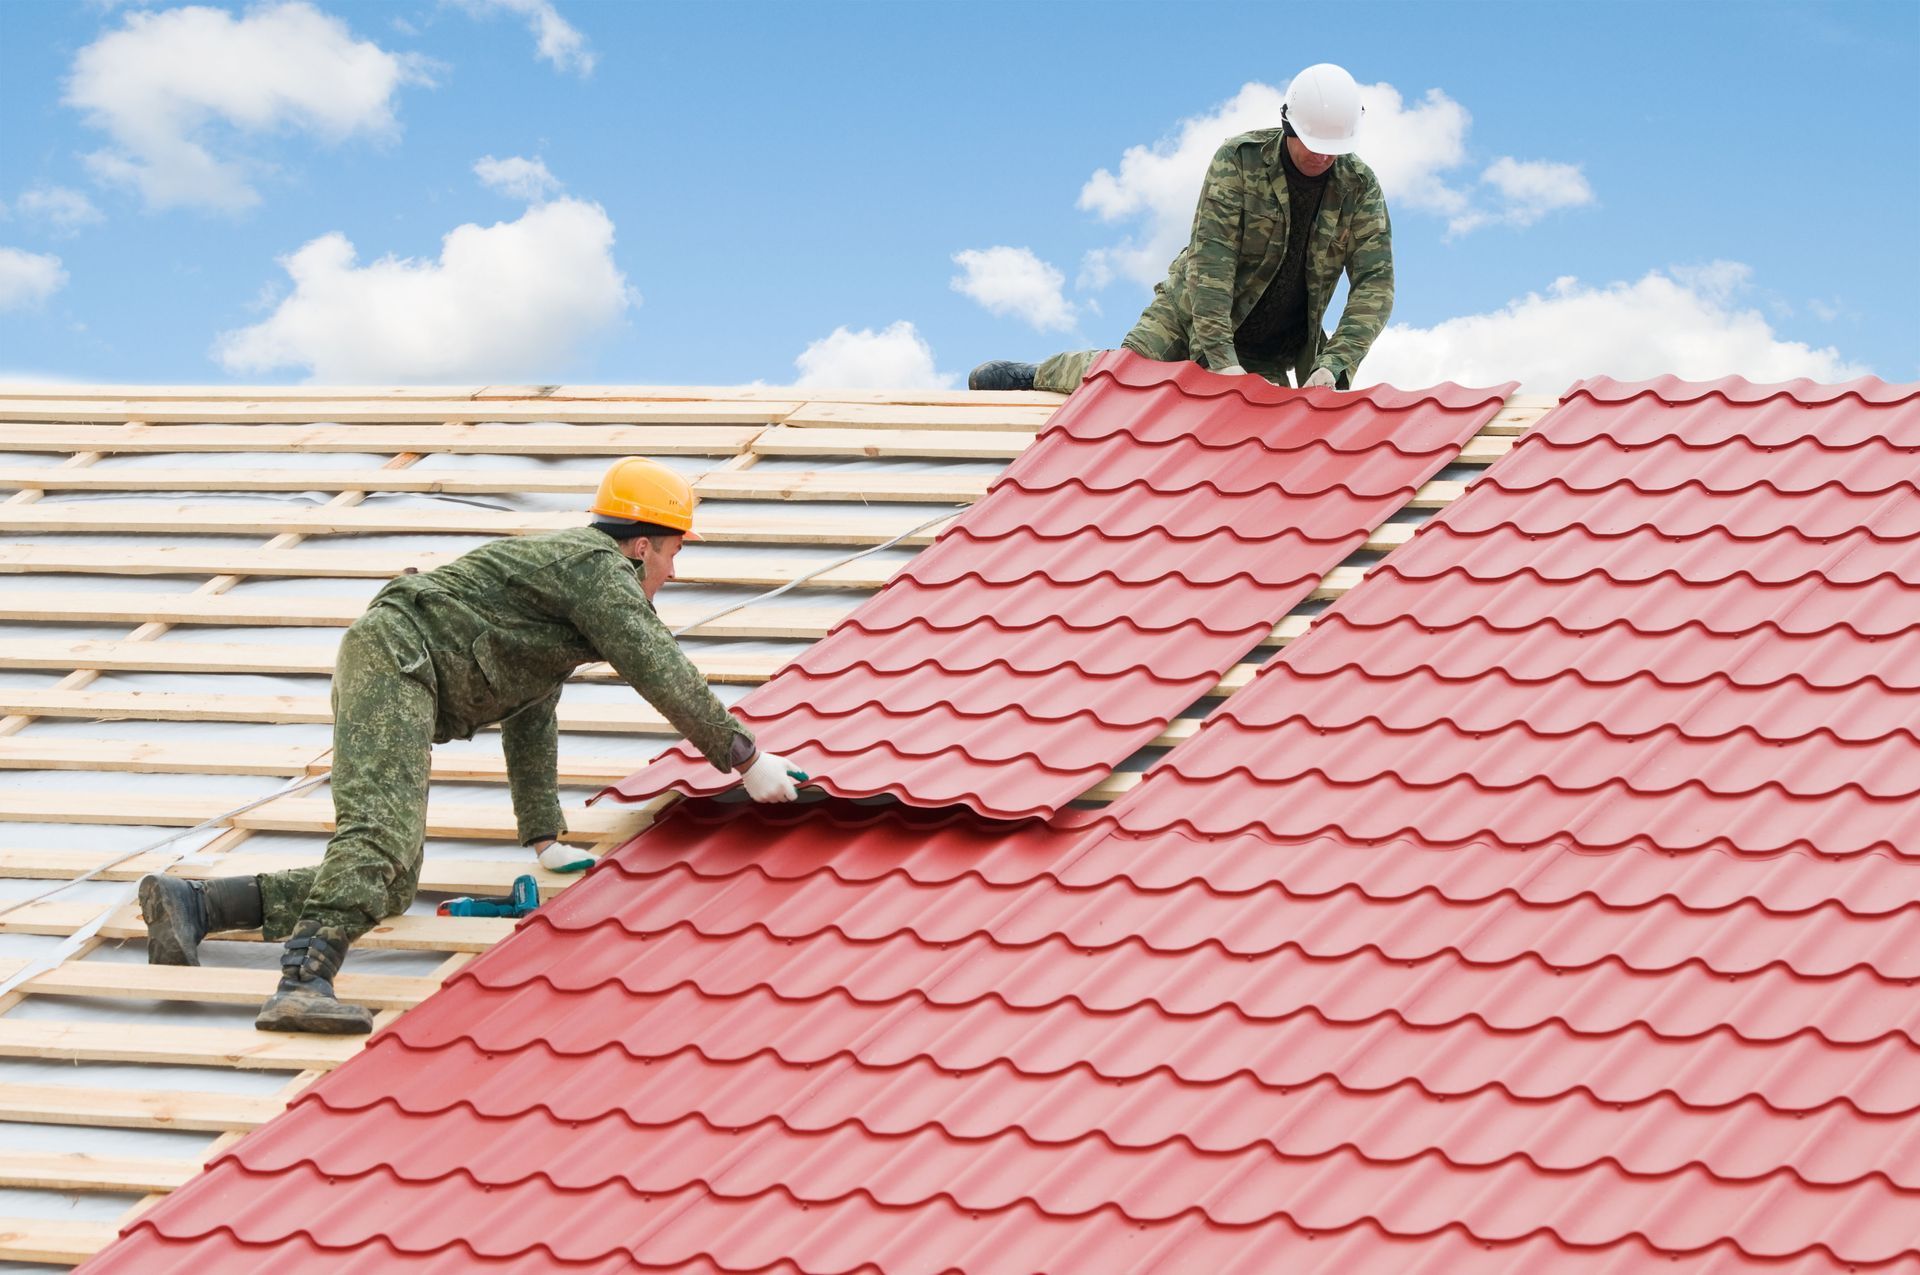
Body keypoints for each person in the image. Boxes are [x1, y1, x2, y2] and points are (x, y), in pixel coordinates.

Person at [137, 457, 803, 1034]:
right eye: (675, 551)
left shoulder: (568, 596)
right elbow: (662, 669)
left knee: (394, 883)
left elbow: (533, 704)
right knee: (380, 839)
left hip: (401, 663)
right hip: (398, 655)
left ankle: (196, 904)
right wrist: (744, 756)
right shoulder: (597, 571)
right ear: (640, 546)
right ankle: (302, 983)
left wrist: (543, 833)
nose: (674, 572)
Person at [971, 62, 1393, 394]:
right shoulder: (1239, 162)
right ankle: (1036, 375)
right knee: (1123, 383)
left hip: (1272, 345)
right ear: (1288, 126)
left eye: (1332, 150)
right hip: (1189, 313)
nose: (1322, 158)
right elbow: (1213, 262)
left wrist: (1335, 362)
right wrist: (1220, 359)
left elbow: (1375, 285)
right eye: (1313, 145)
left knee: (1256, 434)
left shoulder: (1359, 187)